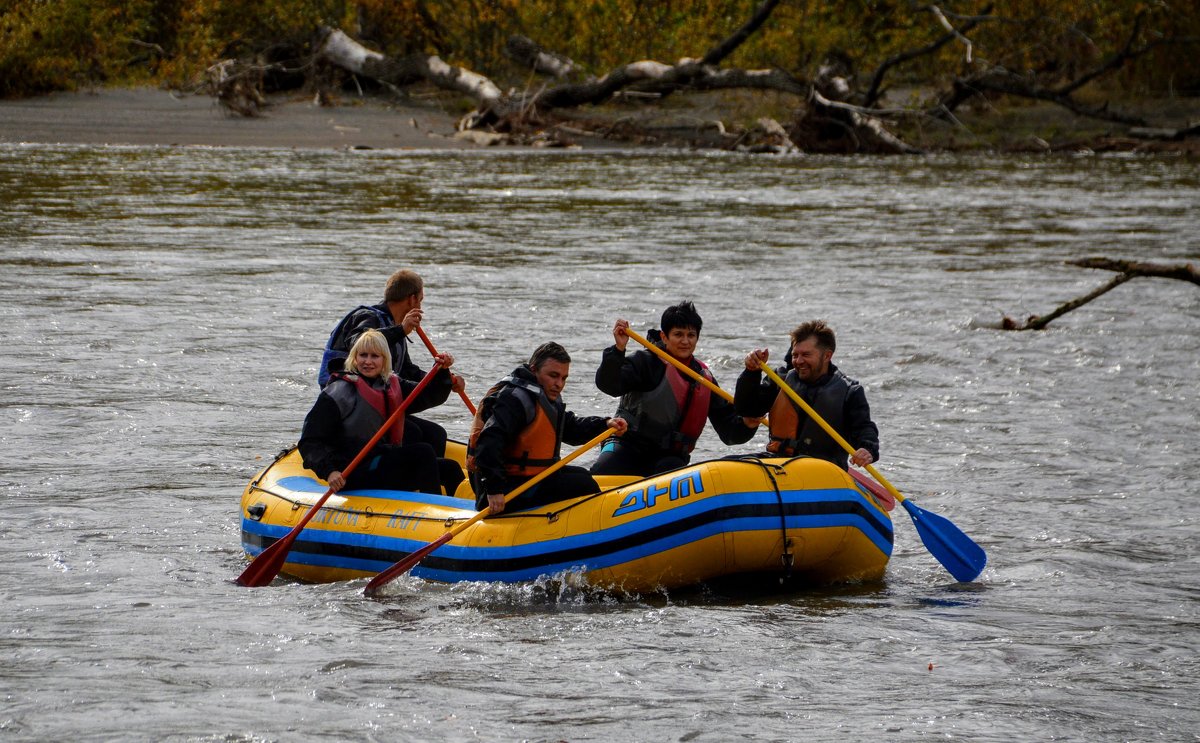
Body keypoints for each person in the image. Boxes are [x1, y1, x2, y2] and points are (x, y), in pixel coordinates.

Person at [591, 301, 759, 477]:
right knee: (603, 470)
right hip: (626, 445)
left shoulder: (703, 378)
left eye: (691, 335)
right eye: (678, 334)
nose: (685, 341)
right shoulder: (645, 362)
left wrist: (747, 424)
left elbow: (729, 431)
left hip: (670, 456)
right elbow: (608, 385)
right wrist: (618, 349)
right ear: (664, 337)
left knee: (671, 469)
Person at [317, 269, 465, 458]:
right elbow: (359, 342)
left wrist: (445, 379)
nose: (420, 305)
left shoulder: (395, 327)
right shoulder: (368, 317)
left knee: (436, 433)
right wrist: (401, 330)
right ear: (412, 300)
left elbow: (408, 370)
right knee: (414, 434)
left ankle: (431, 480)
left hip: (379, 400)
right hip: (351, 406)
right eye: (420, 300)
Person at [466, 342, 627, 514]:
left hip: (530, 479)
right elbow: (488, 443)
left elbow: (571, 428)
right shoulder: (515, 400)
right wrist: (494, 490)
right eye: (553, 375)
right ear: (534, 369)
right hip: (505, 489)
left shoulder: (544, 396)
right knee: (583, 485)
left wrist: (604, 424)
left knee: (582, 476)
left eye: (564, 378)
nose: (559, 384)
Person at [299, 329, 464, 495]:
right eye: (363, 355)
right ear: (355, 358)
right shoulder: (338, 392)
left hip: (379, 462)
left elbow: (429, 396)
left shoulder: (391, 384)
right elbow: (309, 441)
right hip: (350, 472)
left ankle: (464, 512)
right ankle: (432, 511)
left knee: (450, 468)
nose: (368, 361)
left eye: (374, 356)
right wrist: (329, 471)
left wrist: (442, 372)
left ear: (384, 360)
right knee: (423, 452)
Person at [734, 320, 879, 470]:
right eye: (795, 355)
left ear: (827, 356)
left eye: (806, 355)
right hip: (778, 463)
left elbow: (864, 429)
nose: (798, 361)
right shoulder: (780, 379)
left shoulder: (850, 391)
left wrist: (867, 449)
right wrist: (751, 372)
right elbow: (746, 409)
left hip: (823, 470)